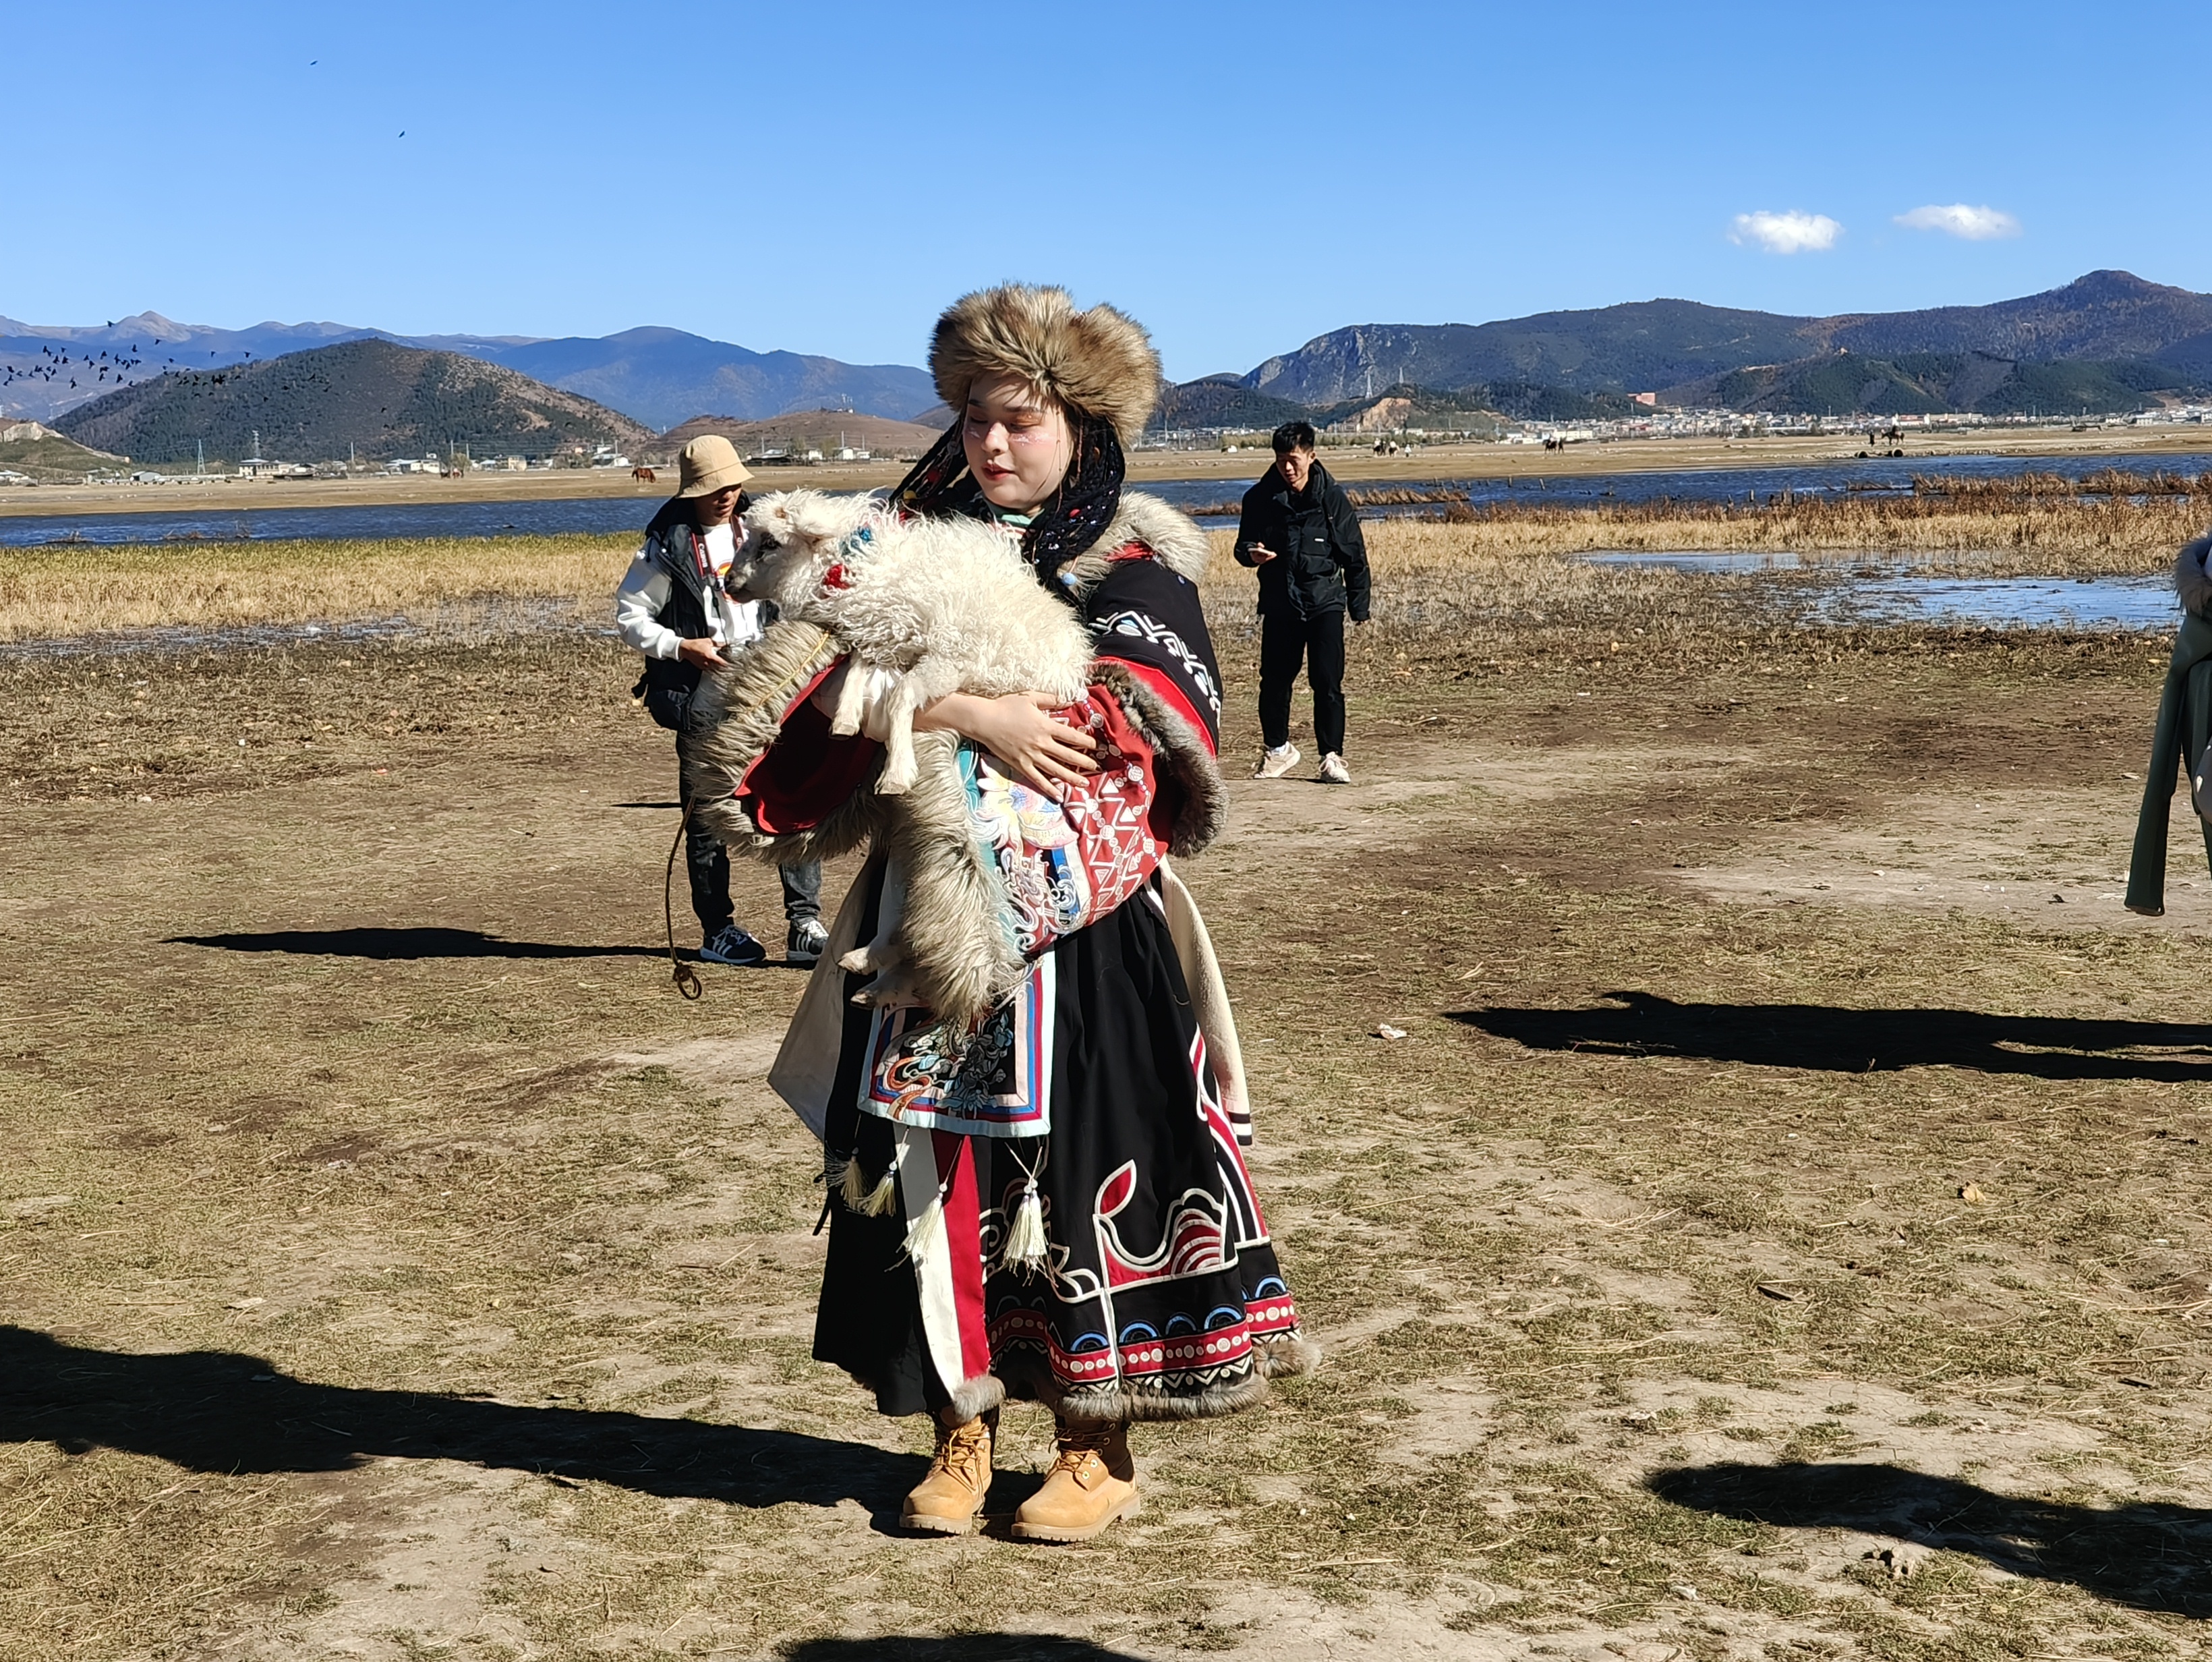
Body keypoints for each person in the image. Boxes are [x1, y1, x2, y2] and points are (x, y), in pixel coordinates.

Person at [686, 285, 1313, 1544]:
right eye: (976, 416)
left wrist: (972, 709)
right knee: (930, 1170)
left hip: (1090, 927)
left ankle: (1095, 1439)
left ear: (1080, 425)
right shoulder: (899, 549)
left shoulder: (1134, 564)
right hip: (923, 911)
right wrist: (963, 711)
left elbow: (1141, 727)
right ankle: (959, 1426)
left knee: (1080, 1170)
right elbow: (802, 718)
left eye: (1020, 419)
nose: (992, 441)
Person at [614, 434, 827, 967]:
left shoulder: (765, 532)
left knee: (792, 797)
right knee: (707, 814)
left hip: (773, 685)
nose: (726, 495)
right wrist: (681, 647)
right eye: (713, 488)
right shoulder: (665, 546)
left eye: (731, 485)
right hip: (703, 695)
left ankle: (804, 924)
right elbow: (630, 617)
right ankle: (718, 930)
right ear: (692, 492)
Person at [1234, 420, 1371, 784]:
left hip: (1325, 602)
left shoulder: (1332, 499)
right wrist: (1251, 554)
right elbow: (1242, 547)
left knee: (1327, 682)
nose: (1287, 467)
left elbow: (1354, 557)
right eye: (1281, 459)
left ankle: (1331, 757)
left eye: (1293, 459)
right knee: (1274, 682)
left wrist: (1359, 606)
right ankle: (1278, 750)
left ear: (1311, 456)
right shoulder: (1259, 498)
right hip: (1280, 602)